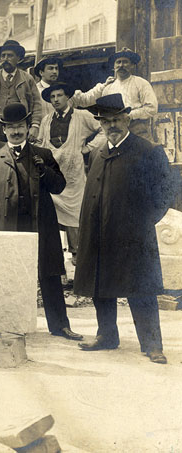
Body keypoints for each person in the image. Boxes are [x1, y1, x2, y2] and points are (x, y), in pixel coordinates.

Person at [74, 94, 177, 364]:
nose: (112, 125)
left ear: (127, 119)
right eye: (106, 121)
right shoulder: (98, 153)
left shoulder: (147, 150)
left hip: (134, 235)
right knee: (100, 285)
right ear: (100, 124)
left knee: (141, 289)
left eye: (117, 119)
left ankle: (152, 344)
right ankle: (107, 335)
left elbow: (166, 192)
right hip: (99, 231)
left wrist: (144, 221)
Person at [0, 103, 81, 341]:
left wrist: (43, 169)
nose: (16, 132)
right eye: (11, 127)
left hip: (41, 225)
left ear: (27, 128)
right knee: (4, 276)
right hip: (8, 227)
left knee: (50, 274)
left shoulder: (42, 155)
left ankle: (60, 326)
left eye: (20, 126)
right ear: (3, 130)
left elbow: (59, 186)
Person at [37, 82, 105, 265]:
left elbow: (103, 130)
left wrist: (88, 148)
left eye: (59, 95)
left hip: (73, 175)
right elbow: (42, 144)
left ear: (67, 97)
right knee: (51, 217)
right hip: (53, 174)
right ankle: (56, 264)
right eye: (52, 97)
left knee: (76, 216)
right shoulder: (47, 119)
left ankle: (79, 262)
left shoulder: (81, 116)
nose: (56, 100)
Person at [71, 48, 158, 142]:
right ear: (114, 66)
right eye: (118, 62)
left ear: (132, 65)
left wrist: (130, 115)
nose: (121, 65)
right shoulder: (108, 87)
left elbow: (152, 108)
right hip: (115, 131)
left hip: (137, 129)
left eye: (125, 62)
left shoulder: (141, 83)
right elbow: (102, 111)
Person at [0, 40, 42, 142]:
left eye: (10, 56)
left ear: (18, 58)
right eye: (3, 56)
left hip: (18, 125)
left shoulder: (27, 79)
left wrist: (35, 126)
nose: (6, 59)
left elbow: (36, 104)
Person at [34, 56, 63, 126]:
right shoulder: (35, 91)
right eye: (51, 68)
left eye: (56, 68)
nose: (54, 72)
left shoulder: (63, 90)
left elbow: (85, 99)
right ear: (41, 72)